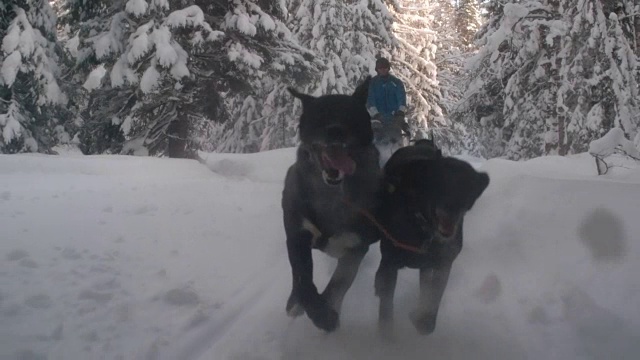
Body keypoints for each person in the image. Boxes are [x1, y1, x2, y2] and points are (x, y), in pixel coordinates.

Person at [367, 57, 410, 165]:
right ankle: (375, 162)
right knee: (376, 139)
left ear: (388, 68)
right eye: (381, 68)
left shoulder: (396, 83)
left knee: (396, 140)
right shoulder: (373, 84)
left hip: (394, 118)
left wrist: (400, 112)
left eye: (385, 68)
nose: (383, 70)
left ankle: (398, 161)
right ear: (377, 69)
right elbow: (370, 100)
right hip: (378, 119)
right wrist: (375, 114)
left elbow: (402, 99)